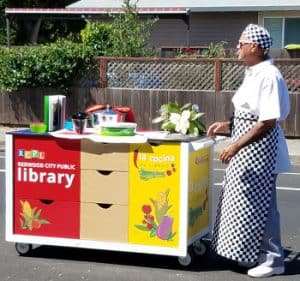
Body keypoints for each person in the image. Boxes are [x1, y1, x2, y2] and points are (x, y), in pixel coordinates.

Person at [207, 23, 291, 278]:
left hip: (261, 150)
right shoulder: (254, 71)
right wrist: (227, 125)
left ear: (254, 47)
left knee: (262, 206)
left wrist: (234, 145)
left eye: (241, 43)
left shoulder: (269, 75)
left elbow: (266, 121)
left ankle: (273, 259)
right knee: (249, 204)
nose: (238, 47)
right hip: (250, 147)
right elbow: (249, 113)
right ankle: (255, 252)